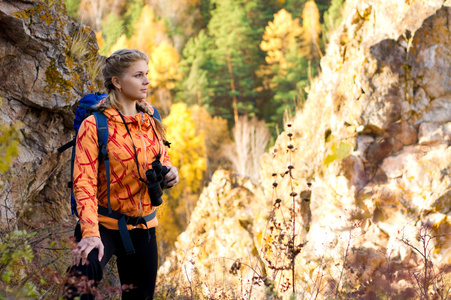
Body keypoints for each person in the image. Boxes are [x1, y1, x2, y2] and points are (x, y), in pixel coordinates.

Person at [65, 48, 179, 300]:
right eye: (138, 75)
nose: (147, 81)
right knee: (77, 290)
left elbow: (163, 158)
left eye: (146, 74)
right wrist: (90, 234)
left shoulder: (151, 118)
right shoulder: (95, 125)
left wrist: (171, 171)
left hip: (143, 226)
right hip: (101, 224)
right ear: (117, 82)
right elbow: (82, 182)